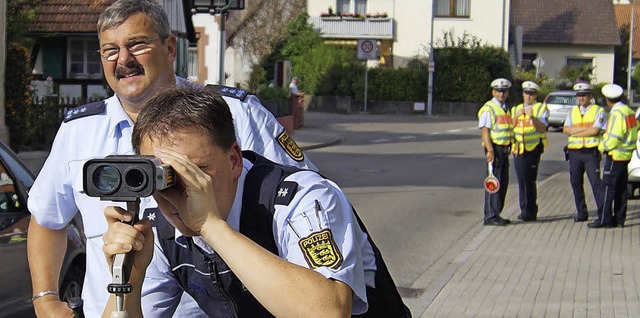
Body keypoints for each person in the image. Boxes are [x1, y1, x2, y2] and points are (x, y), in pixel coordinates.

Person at [26, 1, 315, 317]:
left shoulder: (235, 113)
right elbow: (46, 217)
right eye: (110, 50)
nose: (124, 59)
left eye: (137, 44)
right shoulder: (78, 131)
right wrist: (45, 298)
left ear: (170, 47)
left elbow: (300, 203)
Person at [100, 87, 411, 317]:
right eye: (166, 176)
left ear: (234, 160)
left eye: (196, 172)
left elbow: (327, 312)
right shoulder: (161, 226)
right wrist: (130, 279)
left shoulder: (300, 198)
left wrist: (211, 226)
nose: (183, 191)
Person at [589, 84, 638, 228]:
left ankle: (604, 219)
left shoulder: (617, 114)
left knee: (607, 188)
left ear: (607, 100)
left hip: (615, 155)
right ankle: (619, 219)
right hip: (626, 155)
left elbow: (614, 137)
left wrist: (601, 146)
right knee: (621, 188)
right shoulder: (628, 111)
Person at [562, 82, 606, 222]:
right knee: (575, 182)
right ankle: (582, 212)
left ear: (590, 96)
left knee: (595, 183)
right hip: (574, 153)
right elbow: (565, 129)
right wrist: (584, 131)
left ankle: (603, 212)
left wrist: (575, 131)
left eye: (584, 95)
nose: (581, 98)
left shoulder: (598, 111)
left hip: (590, 153)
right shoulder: (572, 111)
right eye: (579, 95)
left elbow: (595, 131)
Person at [478, 78, 514, 226]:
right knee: (494, 183)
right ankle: (490, 216)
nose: (501, 93)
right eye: (499, 91)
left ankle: (496, 213)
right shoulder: (489, 108)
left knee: (503, 183)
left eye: (504, 91)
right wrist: (490, 150)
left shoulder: (505, 108)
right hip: (495, 149)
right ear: (493, 92)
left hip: (504, 150)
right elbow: (485, 131)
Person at [511, 81, 548, 221]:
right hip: (518, 149)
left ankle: (531, 210)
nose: (528, 96)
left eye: (531, 94)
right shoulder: (516, 109)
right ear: (523, 94)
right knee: (521, 180)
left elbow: (543, 127)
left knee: (529, 180)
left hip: (533, 149)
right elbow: (510, 126)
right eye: (526, 93)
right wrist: (516, 116)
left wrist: (532, 117)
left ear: (536, 95)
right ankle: (523, 209)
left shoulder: (540, 108)